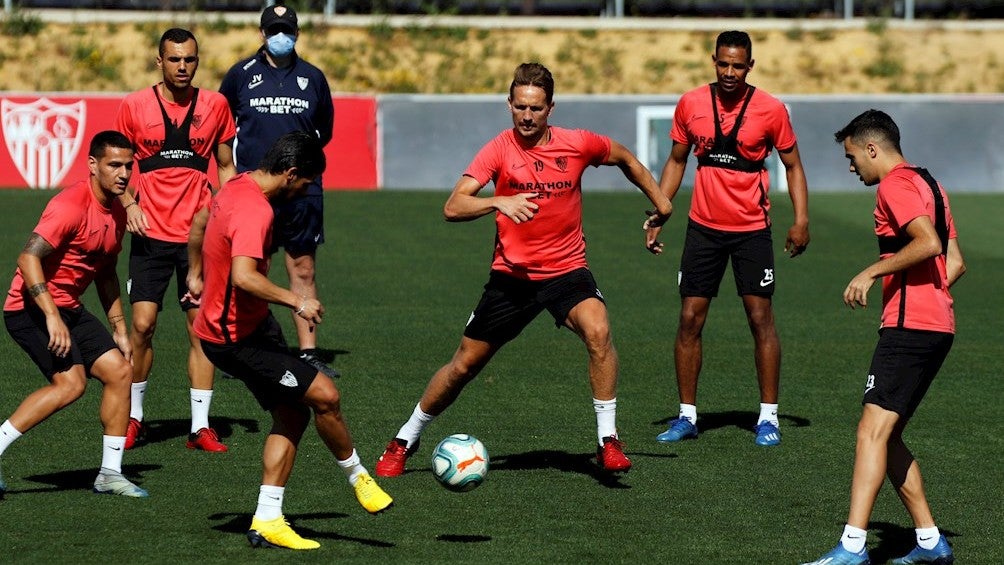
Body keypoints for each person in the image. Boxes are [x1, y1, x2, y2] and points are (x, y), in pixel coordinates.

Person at [374, 62, 674, 478]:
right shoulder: (498, 149)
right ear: (509, 105)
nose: (527, 117)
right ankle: (405, 438)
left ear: (550, 107)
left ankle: (608, 441)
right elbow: (453, 205)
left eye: (535, 108)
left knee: (599, 330)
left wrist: (662, 203)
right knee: (463, 366)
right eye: (519, 108)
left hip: (566, 270)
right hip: (512, 279)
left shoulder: (579, 143)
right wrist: (497, 202)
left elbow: (626, 158)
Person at [189, 131, 392, 550]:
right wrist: (297, 301)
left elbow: (201, 221)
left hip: (249, 326)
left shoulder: (234, 186)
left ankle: (267, 518)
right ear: (291, 173)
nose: (304, 193)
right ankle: (358, 477)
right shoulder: (255, 210)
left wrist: (195, 272)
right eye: (305, 184)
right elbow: (244, 277)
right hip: (233, 338)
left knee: (293, 412)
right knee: (325, 395)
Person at [801, 110, 964, 565]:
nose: (852, 167)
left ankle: (852, 547)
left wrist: (871, 272)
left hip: (909, 328)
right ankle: (931, 543)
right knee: (887, 438)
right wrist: (930, 299)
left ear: (873, 148)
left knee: (870, 432)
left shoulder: (894, 185)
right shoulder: (932, 185)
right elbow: (955, 263)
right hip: (937, 326)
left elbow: (928, 243)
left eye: (853, 157)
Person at [646, 30, 810, 447]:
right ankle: (687, 416)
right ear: (713, 61)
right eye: (723, 64)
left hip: (752, 231)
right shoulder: (691, 104)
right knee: (689, 320)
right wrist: (660, 211)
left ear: (750, 66)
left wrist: (801, 220)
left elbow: (793, 166)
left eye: (739, 65)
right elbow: (677, 160)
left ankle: (768, 417)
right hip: (703, 229)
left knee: (760, 320)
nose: (731, 72)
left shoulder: (771, 110)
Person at [0, 131, 148, 499]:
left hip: (68, 307)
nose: (124, 173)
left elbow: (106, 271)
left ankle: (109, 475)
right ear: (93, 165)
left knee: (120, 371)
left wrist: (120, 329)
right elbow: (27, 257)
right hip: (30, 307)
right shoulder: (70, 205)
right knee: (71, 385)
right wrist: (51, 316)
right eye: (115, 165)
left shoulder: (116, 211)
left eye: (129, 165)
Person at [115, 28, 237, 452]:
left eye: (190, 60)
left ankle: (199, 427)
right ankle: (134, 418)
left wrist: (228, 214)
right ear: (159, 61)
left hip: (198, 239)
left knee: (200, 329)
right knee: (143, 327)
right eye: (174, 59)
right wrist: (130, 203)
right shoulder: (133, 106)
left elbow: (225, 167)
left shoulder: (216, 105)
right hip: (149, 235)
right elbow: (117, 167)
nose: (182, 67)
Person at [219, 2, 339, 380]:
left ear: (297, 34)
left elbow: (325, 131)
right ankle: (244, 347)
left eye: (286, 30)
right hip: (256, 193)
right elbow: (223, 128)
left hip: (303, 192)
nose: (280, 37)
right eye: (273, 30)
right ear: (262, 34)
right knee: (251, 267)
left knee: (302, 266)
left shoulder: (313, 78)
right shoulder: (240, 75)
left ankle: (307, 353)